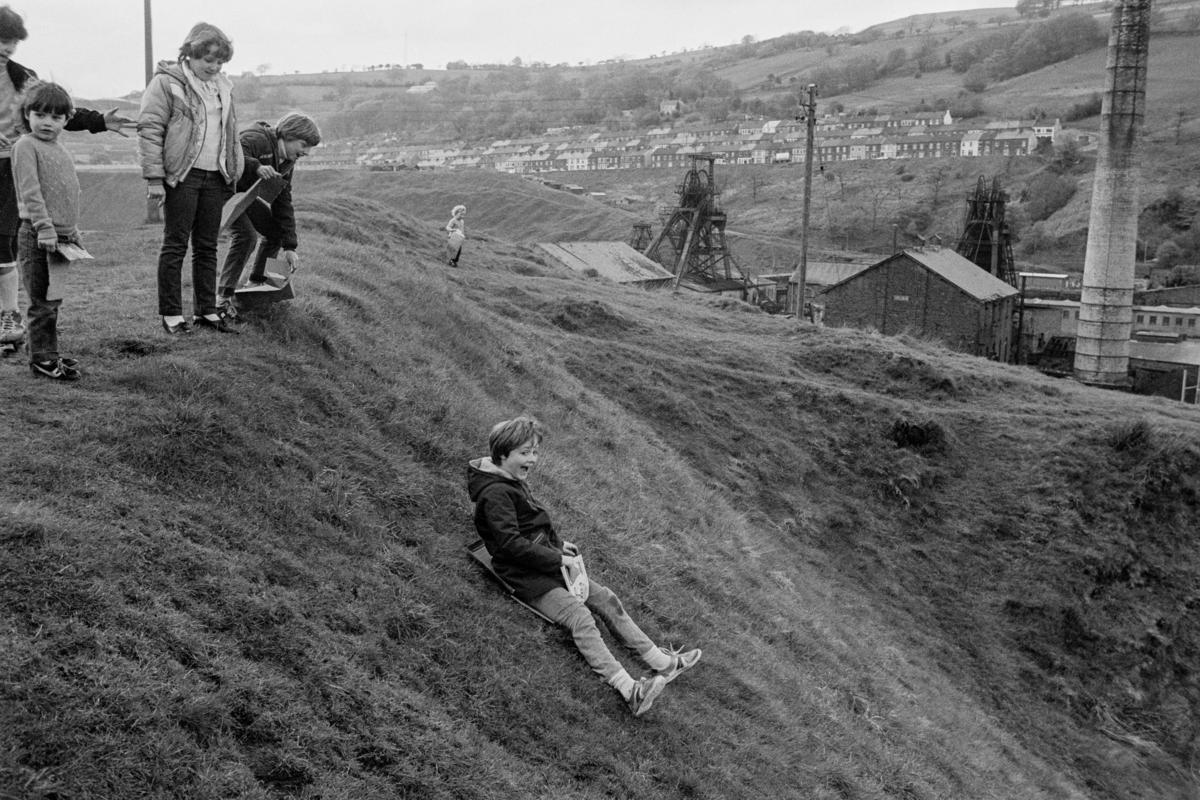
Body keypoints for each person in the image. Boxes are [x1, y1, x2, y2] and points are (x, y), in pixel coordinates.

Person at [467, 416, 701, 717]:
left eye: (535, 451)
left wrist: (558, 545)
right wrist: (556, 558)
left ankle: (663, 663)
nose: (533, 459)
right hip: (526, 576)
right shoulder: (496, 493)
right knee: (580, 617)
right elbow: (509, 545)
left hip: (547, 563)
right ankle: (631, 691)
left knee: (604, 598)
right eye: (525, 452)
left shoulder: (509, 480)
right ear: (503, 454)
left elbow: (530, 524)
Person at [0, 4, 132, 350]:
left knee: (3, 242)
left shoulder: (21, 74)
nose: (8, 48)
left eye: (13, 41)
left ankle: (10, 316)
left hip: (10, 165)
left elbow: (54, 108)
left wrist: (100, 120)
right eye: (2, 40)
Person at [138, 22, 243, 335]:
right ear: (190, 53)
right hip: (182, 176)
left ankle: (207, 313)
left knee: (207, 246)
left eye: (219, 61)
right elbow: (150, 130)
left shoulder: (224, 87)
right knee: (175, 245)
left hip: (215, 176)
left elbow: (230, 132)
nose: (213, 66)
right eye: (207, 59)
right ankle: (172, 315)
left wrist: (232, 172)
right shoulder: (167, 83)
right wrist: (155, 178)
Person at [216, 112, 321, 318]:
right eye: (303, 144)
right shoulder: (256, 138)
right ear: (289, 135)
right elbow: (230, 153)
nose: (306, 152)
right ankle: (222, 298)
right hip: (221, 192)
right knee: (246, 236)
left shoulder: (287, 162)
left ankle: (256, 284)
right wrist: (256, 167)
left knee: (275, 233)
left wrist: (290, 246)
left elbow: (283, 202)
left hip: (244, 195)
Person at [12, 82, 83, 380]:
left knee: (53, 300)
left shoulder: (59, 148)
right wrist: (45, 229)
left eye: (55, 117)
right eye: (39, 114)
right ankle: (42, 360)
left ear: (67, 119)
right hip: (38, 235)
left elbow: (67, 194)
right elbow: (32, 193)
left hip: (61, 238)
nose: (46, 122)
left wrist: (73, 231)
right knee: (41, 302)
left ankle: (47, 352)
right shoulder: (25, 146)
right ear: (27, 114)